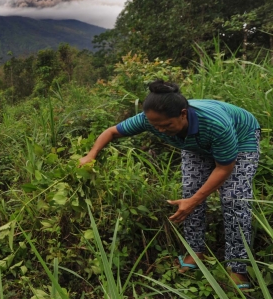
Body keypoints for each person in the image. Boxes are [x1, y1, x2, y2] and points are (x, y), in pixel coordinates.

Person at [79, 80, 260, 289]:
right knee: (189, 193)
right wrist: (90, 155)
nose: (161, 131)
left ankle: (238, 268)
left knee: (234, 200)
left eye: (166, 125)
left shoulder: (215, 124)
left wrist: (195, 200)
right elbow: (112, 132)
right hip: (195, 144)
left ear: (183, 114)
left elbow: (224, 168)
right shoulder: (150, 119)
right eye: (156, 126)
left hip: (241, 136)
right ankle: (194, 252)